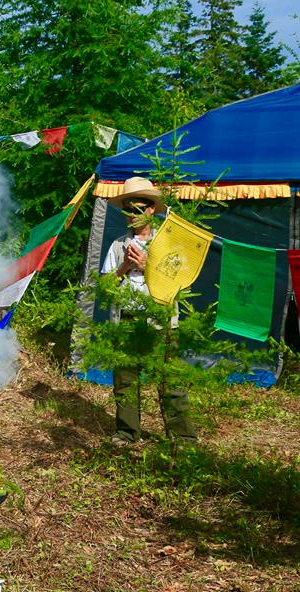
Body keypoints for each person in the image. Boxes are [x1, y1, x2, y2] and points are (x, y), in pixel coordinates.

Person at [101, 176, 196, 447]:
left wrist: (146, 266)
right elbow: (105, 286)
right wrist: (123, 269)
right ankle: (127, 433)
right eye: (128, 208)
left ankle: (183, 439)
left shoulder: (167, 244)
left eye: (138, 207)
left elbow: (180, 282)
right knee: (126, 382)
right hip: (127, 321)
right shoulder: (118, 245)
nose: (132, 214)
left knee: (171, 384)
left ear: (151, 209)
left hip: (161, 320)